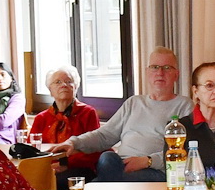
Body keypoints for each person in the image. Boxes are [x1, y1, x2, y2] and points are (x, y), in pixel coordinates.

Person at [49, 48, 191, 182]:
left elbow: (185, 149)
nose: (160, 73)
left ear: (176, 74)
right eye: (155, 67)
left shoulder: (185, 106)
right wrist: (73, 143)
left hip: (156, 171)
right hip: (119, 166)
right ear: (147, 72)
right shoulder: (133, 103)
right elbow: (104, 135)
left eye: (167, 68)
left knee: (97, 183)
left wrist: (147, 161)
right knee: (107, 158)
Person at [28, 66, 101, 184]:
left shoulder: (88, 113)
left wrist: (65, 164)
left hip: (79, 169)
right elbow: (31, 150)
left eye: (68, 81)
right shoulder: (41, 118)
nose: (64, 85)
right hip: (47, 169)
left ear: (75, 87)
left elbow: (95, 148)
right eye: (58, 82)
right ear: (50, 90)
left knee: (53, 183)